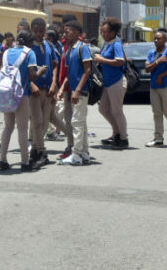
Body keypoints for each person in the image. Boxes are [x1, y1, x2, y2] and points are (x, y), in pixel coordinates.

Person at [0, 30, 45, 172]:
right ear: (29, 42)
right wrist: (41, 71)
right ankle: (25, 161)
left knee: (8, 127)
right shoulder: (29, 53)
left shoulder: (6, 53)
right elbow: (32, 76)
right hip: (21, 94)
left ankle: (2, 159)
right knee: (22, 128)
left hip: (6, 93)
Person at [56, 20, 93, 166]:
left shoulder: (82, 48)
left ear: (77, 33)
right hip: (72, 90)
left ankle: (76, 154)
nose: (65, 34)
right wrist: (62, 89)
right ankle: (84, 152)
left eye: (68, 31)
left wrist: (77, 90)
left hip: (80, 91)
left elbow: (87, 70)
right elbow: (67, 74)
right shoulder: (70, 49)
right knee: (80, 122)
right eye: (64, 31)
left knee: (77, 122)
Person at [28, 18, 59, 169]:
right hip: (34, 91)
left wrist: (54, 84)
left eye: (42, 31)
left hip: (48, 90)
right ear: (31, 30)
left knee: (45, 123)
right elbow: (22, 70)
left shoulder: (49, 45)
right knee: (37, 121)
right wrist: (31, 84)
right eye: (36, 31)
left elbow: (55, 65)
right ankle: (42, 152)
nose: (39, 34)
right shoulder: (27, 47)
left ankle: (35, 148)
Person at [94, 18, 129, 149]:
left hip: (117, 82)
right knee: (103, 109)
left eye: (106, 32)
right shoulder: (107, 44)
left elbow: (120, 61)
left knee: (117, 111)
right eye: (102, 32)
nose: (103, 34)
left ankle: (124, 138)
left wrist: (102, 59)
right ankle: (117, 132)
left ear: (113, 32)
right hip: (107, 83)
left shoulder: (116, 44)